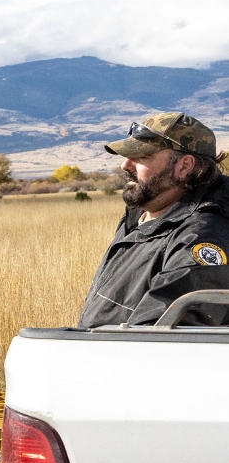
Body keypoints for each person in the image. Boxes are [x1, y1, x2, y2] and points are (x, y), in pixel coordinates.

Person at [78, 112, 229, 328]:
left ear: (185, 166)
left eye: (142, 157)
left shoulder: (202, 235)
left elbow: (159, 335)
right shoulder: (143, 212)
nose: (125, 165)